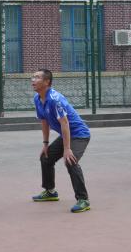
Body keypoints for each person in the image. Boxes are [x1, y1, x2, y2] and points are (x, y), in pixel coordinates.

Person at [30, 69, 92, 213]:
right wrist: (45, 144)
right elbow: (44, 121)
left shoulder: (55, 99)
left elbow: (65, 123)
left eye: (37, 77)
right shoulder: (37, 98)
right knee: (46, 157)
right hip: (67, 134)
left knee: (70, 160)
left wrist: (67, 149)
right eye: (33, 77)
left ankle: (83, 199)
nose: (33, 80)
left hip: (79, 134)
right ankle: (50, 191)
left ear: (47, 82)